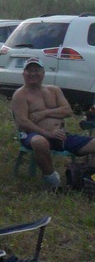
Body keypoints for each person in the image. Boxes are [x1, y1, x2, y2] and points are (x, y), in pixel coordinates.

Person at [11, 57, 95, 189]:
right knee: (39, 142)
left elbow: (67, 111)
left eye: (37, 70)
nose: (33, 73)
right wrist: (47, 133)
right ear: (24, 73)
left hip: (60, 135)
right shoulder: (20, 95)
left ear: (43, 73)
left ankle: (89, 178)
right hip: (32, 135)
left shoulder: (54, 90)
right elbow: (22, 122)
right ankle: (51, 180)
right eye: (29, 70)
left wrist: (44, 113)